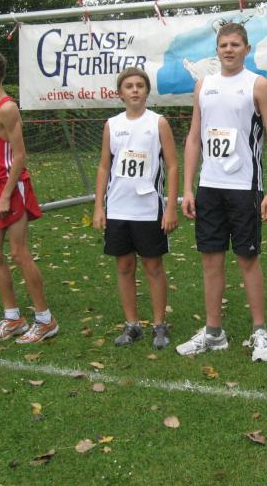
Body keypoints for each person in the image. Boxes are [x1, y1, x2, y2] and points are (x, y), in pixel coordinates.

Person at [177, 22, 267, 362]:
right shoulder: (203, 85)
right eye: (223, 45)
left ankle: (260, 331)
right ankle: (213, 333)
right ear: (216, 50)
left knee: (247, 260)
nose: (229, 50)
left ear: (246, 49)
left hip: (244, 188)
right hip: (209, 188)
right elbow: (194, 138)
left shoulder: (258, 85)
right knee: (211, 260)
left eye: (235, 44)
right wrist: (188, 188)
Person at [0, 47, 58, 344]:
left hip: (11, 187)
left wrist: (6, 195)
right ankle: (13, 317)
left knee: (19, 252)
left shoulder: (7, 107)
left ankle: (45, 320)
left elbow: (19, 157)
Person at [93, 67, 178, 348]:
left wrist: (171, 207)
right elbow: (104, 166)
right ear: (120, 93)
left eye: (140, 85)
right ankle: (132, 325)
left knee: (153, 265)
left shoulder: (158, 123)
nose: (135, 90)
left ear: (147, 91)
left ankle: (159, 326)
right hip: (118, 208)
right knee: (124, 265)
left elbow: (172, 166)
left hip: (148, 208)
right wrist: (99, 206)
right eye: (129, 86)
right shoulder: (112, 124)